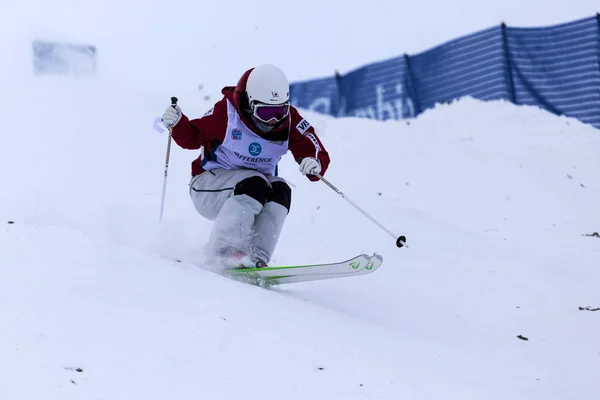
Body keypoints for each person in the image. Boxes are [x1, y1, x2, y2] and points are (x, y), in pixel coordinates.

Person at [161, 64, 330, 268]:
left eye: (279, 111)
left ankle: (255, 258)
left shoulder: (290, 121)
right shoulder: (228, 114)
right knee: (255, 183)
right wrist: (178, 123)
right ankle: (223, 252)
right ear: (251, 103)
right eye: (266, 112)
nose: (274, 120)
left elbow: (311, 144)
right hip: (208, 187)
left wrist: (313, 161)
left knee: (280, 189)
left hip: (253, 193)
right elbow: (192, 137)